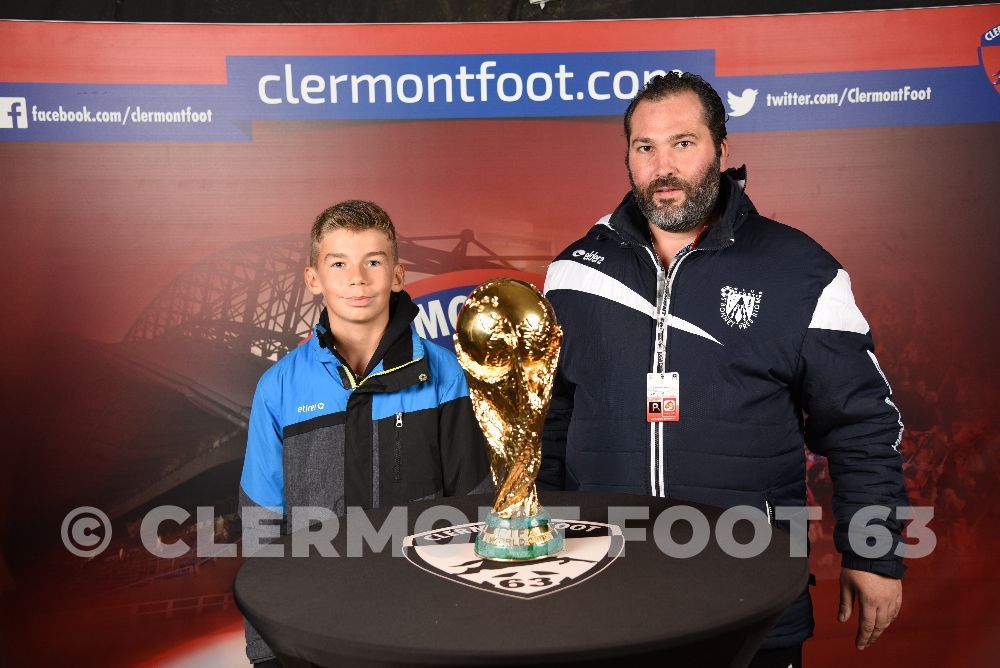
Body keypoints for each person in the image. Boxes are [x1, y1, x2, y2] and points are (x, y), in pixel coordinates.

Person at [540, 72, 907, 667]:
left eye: (683, 143)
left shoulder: (801, 271)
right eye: (645, 147)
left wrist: (874, 553)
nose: (663, 166)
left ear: (722, 150)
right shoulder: (574, 274)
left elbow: (861, 424)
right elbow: (552, 419)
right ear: (628, 158)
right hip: (602, 596)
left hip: (748, 596)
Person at [239, 200, 491, 665]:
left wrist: (473, 622)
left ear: (398, 275)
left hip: (426, 621)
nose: (357, 278)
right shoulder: (278, 388)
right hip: (314, 623)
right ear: (313, 279)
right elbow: (261, 519)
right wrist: (266, 647)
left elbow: (474, 503)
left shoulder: (444, 375)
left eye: (373, 261)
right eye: (339, 263)